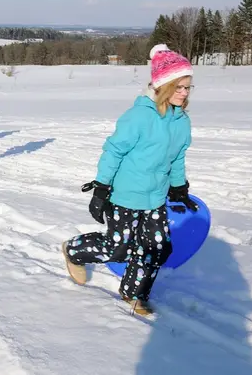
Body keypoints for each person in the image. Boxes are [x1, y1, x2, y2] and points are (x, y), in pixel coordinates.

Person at [61, 44, 197, 316]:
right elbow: (113, 151)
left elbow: (177, 157)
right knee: (119, 247)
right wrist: (101, 189)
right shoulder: (138, 116)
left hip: (155, 197)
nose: (183, 93)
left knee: (156, 247)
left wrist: (179, 187)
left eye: (187, 87)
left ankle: (134, 293)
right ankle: (74, 250)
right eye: (178, 87)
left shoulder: (181, 120)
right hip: (125, 195)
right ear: (163, 85)